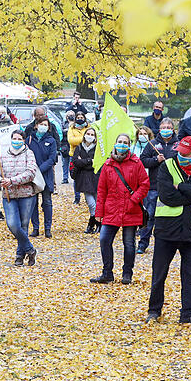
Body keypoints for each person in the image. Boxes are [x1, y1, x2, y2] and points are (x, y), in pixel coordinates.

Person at [147, 136, 191, 324]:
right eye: (180, 153)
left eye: (185, 154)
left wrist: (182, 187)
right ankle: (154, 310)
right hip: (166, 230)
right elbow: (167, 196)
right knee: (159, 274)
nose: (181, 156)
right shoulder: (167, 166)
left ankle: (188, 314)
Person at [90, 134, 148, 284]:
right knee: (104, 239)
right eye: (120, 142)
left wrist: (134, 200)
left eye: (125, 142)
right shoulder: (108, 165)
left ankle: (127, 273)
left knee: (129, 243)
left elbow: (144, 184)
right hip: (112, 209)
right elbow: (102, 190)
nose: (122, 144)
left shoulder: (136, 163)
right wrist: (98, 213)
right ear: (115, 144)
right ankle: (107, 273)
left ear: (129, 145)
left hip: (131, 209)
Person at [0, 129, 38, 266]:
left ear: (24, 140)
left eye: (19, 139)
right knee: (13, 224)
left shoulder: (29, 154)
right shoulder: (4, 155)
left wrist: (12, 180)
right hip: (9, 195)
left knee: (24, 225)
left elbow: (31, 173)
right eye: (14, 138)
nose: (17, 141)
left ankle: (19, 256)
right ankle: (30, 250)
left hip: (26, 195)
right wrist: (0, 181)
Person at [138, 118, 179, 254]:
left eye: (168, 127)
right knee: (149, 216)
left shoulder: (178, 145)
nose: (166, 130)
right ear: (159, 129)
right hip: (154, 187)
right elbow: (142, 161)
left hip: (174, 187)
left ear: (173, 129)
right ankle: (143, 243)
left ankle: (170, 244)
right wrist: (156, 160)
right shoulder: (153, 144)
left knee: (171, 217)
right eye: (163, 127)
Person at [26, 115, 57, 238]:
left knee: (47, 202)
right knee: (33, 203)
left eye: (46, 125)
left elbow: (52, 158)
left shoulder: (51, 141)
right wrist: (33, 170)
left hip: (46, 175)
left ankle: (48, 228)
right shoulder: (29, 139)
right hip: (32, 176)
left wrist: (41, 169)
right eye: (41, 124)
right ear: (36, 125)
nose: (43, 127)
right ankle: (35, 228)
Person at [71, 126, 99, 232]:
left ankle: (92, 225)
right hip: (83, 179)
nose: (90, 136)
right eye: (88, 134)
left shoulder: (97, 149)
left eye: (92, 135)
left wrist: (83, 161)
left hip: (96, 178)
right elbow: (76, 162)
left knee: (97, 202)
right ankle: (95, 224)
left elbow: (97, 163)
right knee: (91, 203)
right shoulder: (79, 147)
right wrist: (89, 161)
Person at [66, 112, 88, 196]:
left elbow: (92, 139)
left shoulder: (88, 127)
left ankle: (86, 196)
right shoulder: (72, 128)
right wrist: (84, 139)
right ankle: (77, 196)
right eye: (78, 117)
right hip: (74, 155)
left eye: (81, 117)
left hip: (86, 155)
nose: (80, 119)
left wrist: (78, 140)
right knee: (76, 177)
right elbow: (71, 140)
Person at [59, 111, 74, 185]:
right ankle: (65, 178)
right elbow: (61, 132)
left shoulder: (75, 124)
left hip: (73, 146)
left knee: (72, 163)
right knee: (65, 163)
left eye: (72, 115)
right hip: (65, 146)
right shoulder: (63, 124)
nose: (70, 116)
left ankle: (73, 177)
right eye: (69, 115)